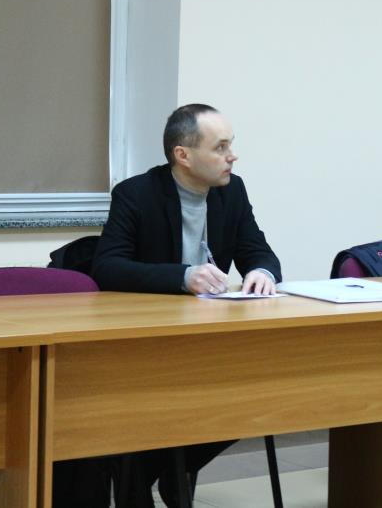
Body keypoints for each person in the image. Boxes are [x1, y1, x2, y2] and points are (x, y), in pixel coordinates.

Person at [93, 103, 281, 506]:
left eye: (231, 145)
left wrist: (262, 272)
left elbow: (258, 249)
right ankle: (148, 474)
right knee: (168, 403)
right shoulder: (136, 194)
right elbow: (107, 266)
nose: (232, 156)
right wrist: (182, 276)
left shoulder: (232, 191)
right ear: (183, 155)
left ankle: (158, 467)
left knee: (260, 393)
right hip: (147, 339)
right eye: (220, 147)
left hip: (209, 335)